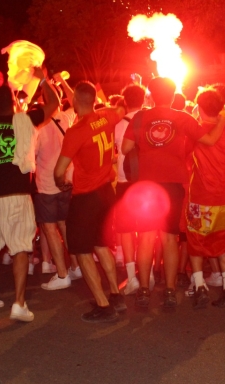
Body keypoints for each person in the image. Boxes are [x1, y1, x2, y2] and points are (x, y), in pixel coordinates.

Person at [121, 77, 225, 309]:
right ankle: (169, 291)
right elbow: (208, 139)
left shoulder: (139, 117)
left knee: (146, 238)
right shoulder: (183, 117)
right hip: (173, 185)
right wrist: (221, 120)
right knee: (170, 239)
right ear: (172, 94)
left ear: (151, 94)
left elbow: (125, 148)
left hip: (147, 185)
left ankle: (144, 291)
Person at [0, 75, 59, 323]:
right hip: (19, 194)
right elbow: (53, 104)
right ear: (13, 101)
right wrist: (42, 79)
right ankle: (18, 304)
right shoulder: (26, 119)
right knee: (21, 248)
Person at [54, 81, 127, 322]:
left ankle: (102, 304)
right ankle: (115, 294)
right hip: (106, 192)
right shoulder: (106, 116)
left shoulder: (76, 132)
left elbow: (59, 170)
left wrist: (62, 182)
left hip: (86, 198)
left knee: (81, 250)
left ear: (75, 102)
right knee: (101, 243)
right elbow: (118, 109)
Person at [186, 88, 225, 308]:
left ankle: (199, 286)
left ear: (199, 106)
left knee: (196, 242)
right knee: (221, 239)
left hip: (201, 196)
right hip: (223, 195)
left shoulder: (196, 131)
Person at [33, 80, 81, 291]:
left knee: (50, 228)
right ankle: (76, 266)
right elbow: (75, 100)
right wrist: (60, 82)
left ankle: (62, 274)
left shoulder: (38, 126)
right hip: (68, 181)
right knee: (65, 225)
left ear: (44, 101)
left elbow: (32, 156)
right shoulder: (68, 117)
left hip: (47, 185)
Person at [113, 83, 146, 295]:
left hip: (124, 182)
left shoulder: (118, 125)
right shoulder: (149, 120)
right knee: (146, 229)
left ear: (125, 101)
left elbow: (117, 153)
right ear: (143, 99)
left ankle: (132, 276)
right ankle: (148, 272)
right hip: (146, 182)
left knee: (125, 230)